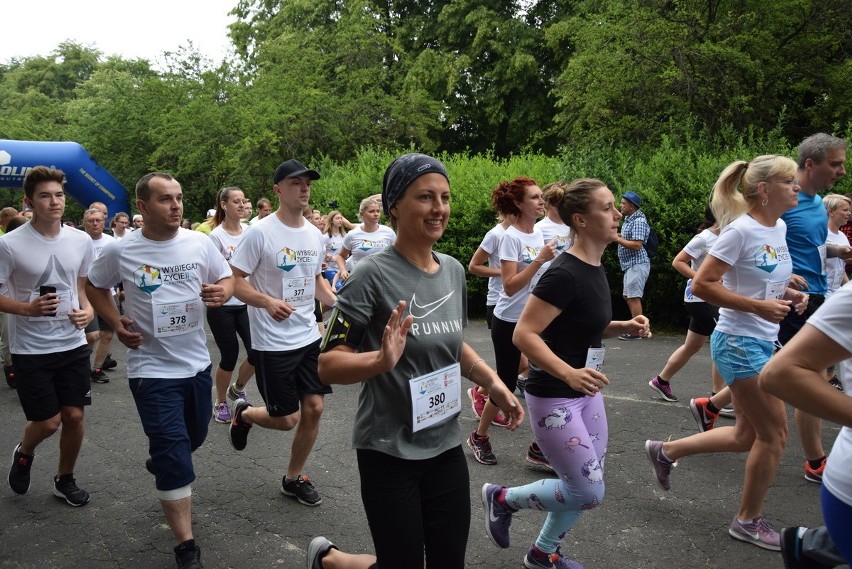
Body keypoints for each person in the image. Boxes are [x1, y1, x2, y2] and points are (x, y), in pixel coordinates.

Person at [306, 152, 523, 569]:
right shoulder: (371, 274)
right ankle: (333, 561)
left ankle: (332, 562)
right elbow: (327, 364)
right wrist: (381, 359)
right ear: (395, 207)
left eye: (444, 197)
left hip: (443, 445)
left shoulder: (454, 271)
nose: (438, 208)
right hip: (389, 450)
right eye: (425, 197)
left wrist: (492, 382)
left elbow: (452, 344)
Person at [482, 178, 649, 569]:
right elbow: (524, 333)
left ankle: (544, 552)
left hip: (586, 392)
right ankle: (503, 499)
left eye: (614, 206)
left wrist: (622, 326)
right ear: (582, 219)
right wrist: (569, 374)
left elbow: (579, 325)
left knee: (584, 483)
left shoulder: (594, 265)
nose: (616, 215)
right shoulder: (564, 273)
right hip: (555, 395)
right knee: (588, 491)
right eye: (607, 208)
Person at [644, 154, 807, 551]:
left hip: (761, 339)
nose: (797, 186)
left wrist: (788, 293)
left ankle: (666, 451)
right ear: (764, 190)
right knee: (775, 435)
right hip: (738, 342)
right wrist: (759, 308)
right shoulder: (740, 231)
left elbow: (757, 279)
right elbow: (702, 284)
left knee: (746, 435)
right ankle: (747, 521)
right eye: (789, 181)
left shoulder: (778, 226)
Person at [86, 171, 233, 569]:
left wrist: (223, 290)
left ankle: (168, 459)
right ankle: (186, 546)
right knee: (173, 453)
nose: (176, 205)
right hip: (150, 370)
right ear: (143, 206)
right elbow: (95, 286)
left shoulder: (199, 242)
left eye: (179, 198)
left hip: (196, 365)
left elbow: (225, 277)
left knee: (195, 436)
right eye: (166, 199)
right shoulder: (122, 250)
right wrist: (115, 323)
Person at [227, 159, 337, 507]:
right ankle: (243, 414)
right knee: (286, 418)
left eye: (307, 183)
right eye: (295, 182)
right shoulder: (260, 232)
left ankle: (293, 478)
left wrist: (337, 301)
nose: (304, 188)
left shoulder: (315, 235)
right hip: (272, 342)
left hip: (307, 336)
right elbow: (234, 281)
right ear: (278, 189)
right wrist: (266, 302)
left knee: (315, 408)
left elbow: (315, 279)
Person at [1, 166, 95, 507]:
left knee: (73, 416)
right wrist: (27, 309)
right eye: (45, 196)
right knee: (48, 422)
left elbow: (82, 283)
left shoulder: (81, 239)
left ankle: (64, 478)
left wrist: (86, 309)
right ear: (29, 202)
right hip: (30, 349)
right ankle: (24, 452)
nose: (54, 201)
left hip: (72, 342)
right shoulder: (10, 245)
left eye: (58, 195)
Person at [760, 282, 852, 567]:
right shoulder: (738, 235)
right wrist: (756, 305)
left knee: (763, 436)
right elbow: (782, 374)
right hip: (741, 336)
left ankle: (812, 545)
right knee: (763, 436)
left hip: (763, 333)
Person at [468, 177, 556, 466]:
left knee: (545, 376)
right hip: (508, 319)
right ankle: (479, 437)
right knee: (505, 381)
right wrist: (539, 261)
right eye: (534, 198)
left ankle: (541, 446)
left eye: (541, 197)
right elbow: (509, 286)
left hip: (535, 320)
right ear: (518, 204)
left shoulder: (541, 234)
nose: (541, 201)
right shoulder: (510, 237)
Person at [778, 133, 849, 484]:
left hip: (819, 296)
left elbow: (815, 248)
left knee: (789, 373)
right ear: (811, 164)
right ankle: (815, 460)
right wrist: (785, 276)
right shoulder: (784, 199)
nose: (842, 170)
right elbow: (755, 241)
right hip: (793, 301)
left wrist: (838, 252)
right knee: (809, 378)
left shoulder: (819, 202)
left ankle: (711, 405)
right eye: (835, 163)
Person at [648, 206, 734, 429]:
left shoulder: (730, 236)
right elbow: (678, 261)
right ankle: (717, 396)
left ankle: (661, 381)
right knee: (720, 341)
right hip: (702, 298)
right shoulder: (704, 238)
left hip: (709, 299)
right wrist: (703, 278)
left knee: (692, 346)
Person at [206, 187, 257, 424]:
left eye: (243, 201)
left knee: (257, 352)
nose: (241, 205)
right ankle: (221, 403)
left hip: (248, 302)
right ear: (224, 205)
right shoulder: (216, 237)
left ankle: (237, 389)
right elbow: (210, 272)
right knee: (229, 355)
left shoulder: (251, 231)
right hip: (224, 304)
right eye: (235, 201)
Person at [81, 208, 117, 383]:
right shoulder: (79, 241)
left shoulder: (111, 242)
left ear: (104, 222)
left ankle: (96, 368)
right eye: (91, 221)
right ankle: (79, 365)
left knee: (108, 334)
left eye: (98, 220)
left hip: (109, 293)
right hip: (86, 293)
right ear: (84, 223)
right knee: (92, 335)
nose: (95, 223)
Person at [332, 195, 396, 283]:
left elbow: (397, 254)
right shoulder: (352, 235)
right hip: (360, 280)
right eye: (371, 211)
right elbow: (340, 256)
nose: (376, 214)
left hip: (384, 279)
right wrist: (343, 270)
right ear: (362, 214)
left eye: (378, 211)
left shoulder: (388, 232)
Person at [614, 190, 651, 339]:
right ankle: (638, 327)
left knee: (634, 297)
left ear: (632, 206)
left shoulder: (639, 221)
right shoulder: (630, 220)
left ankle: (638, 331)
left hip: (637, 264)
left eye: (623, 204)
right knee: (628, 296)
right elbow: (630, 238)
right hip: (630, 264)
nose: (620, 206)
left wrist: (616, 239)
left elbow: (637, 245)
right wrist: (619, 236)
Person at [321, 210, 348, 289]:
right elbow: (322, 255)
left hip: (342, 269)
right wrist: (328, 257)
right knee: (340, 289)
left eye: (341, 218)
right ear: (331, 221)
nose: (340, 220)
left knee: (345, 290)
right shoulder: (325, 237)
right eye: (337, 218)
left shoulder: (345, 236)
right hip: (330, 269)